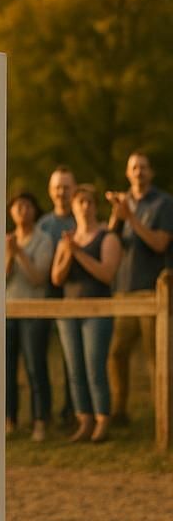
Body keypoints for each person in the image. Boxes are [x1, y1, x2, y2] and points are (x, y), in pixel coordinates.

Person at [106, 152, 173, 426]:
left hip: (152, 293)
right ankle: (119, 412)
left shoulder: (163, 203)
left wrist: (131, 217)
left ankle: (163, 418)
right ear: (127, 173)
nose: (138, 172)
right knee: (117, 354)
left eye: (143, 167)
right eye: (134, 167)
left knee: (156, 359)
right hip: (123, 291)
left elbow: (159, 243)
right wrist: (117, 215)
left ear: (151, 172)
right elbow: (111, 241)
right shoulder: (125, 204)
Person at [52, 185, 122, 443]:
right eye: (80, 202)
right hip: (69, 312)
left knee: (95, 367)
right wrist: (69, 252)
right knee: (75, 369)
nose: (85, 206)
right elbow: (57, 278)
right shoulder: (66, 240)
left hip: (97, 311)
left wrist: (78, 253)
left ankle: (103, 420)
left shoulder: (108, 238)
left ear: (95, 206)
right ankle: (84, 420)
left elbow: (107, 274)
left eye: (89, 202)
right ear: (72, 207)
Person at [5, 191, 54, 441]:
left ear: (35, 210)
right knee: (6, 369)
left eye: (26, 205)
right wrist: (9, 254)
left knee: (35, 366)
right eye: (17, 206)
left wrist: (20, 253)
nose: (22, 210)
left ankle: (40, 421)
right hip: (7, 312)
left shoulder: (44, 240)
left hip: (34, 311)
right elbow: (0, 279)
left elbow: (38, 278)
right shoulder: (5, 240)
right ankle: (9, 420)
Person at [37, 166, 78, 424]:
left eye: (66, 187)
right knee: (40, 357)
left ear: (74, 190)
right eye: (57, 187)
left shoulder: (80, 220)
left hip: (73, 296)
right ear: (50, 191)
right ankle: (44, 413)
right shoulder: (43, 224)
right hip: (45, 298)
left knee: (71, 358)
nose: (61, 192)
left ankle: (72, 411)